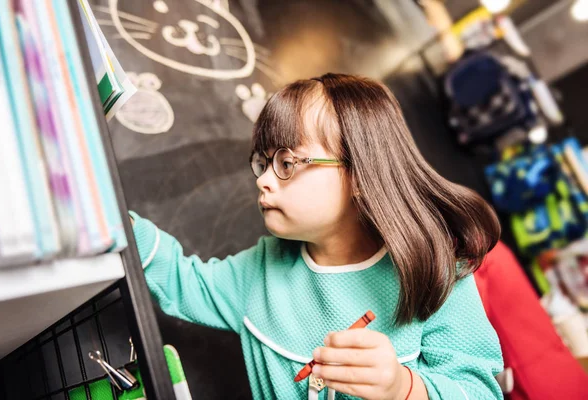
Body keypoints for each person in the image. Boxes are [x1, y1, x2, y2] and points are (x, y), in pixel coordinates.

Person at [130, 73, 504, 399]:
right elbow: (182, 281)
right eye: (262, 163)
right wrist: (108, 211)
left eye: (287, 163)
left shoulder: (436, 273)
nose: (262, 179)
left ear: (360, 173)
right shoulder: (261, 269)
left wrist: (403, 388)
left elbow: (480, 392)